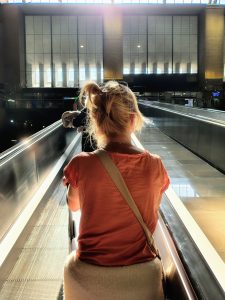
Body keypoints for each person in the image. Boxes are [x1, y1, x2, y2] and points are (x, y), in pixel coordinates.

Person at [63, 81, 170, 300]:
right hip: (142, 277)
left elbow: (73, 205)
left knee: (69, 263)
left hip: (88, 275)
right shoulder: (155, 165)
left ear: (95, 121)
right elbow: (151, 209)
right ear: (132, 119)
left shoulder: (81, 164)